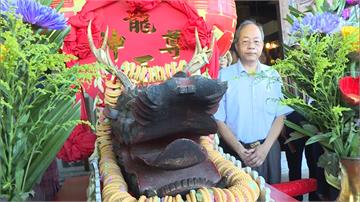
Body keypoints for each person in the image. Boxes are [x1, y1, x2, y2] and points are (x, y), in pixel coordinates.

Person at [214, 20, 292, 184]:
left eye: (256, 41)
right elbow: (218, 119)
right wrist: (239, 150)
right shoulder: (223, 77)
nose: (251, 46)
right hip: (235, 152)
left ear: (262, 45)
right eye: (245, 41)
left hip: (268, 149)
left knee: (272, 195)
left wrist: (265, 148)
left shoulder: (272, 75)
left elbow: (280, 115)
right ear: (236, 45)